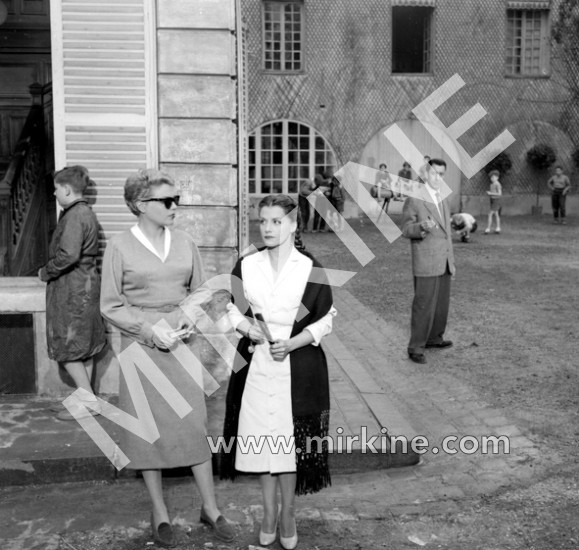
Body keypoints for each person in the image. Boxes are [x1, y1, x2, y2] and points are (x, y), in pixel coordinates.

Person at [100, 169, 234, 546]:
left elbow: (200, 292)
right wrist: (148, 329)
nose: (176, 206)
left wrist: (188, 320)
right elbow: (110, 305)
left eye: (177, 199)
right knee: (148, 432)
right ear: (140, 205)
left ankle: (210, 507)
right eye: (167, 200)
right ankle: (159, 513)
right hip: (141, 346)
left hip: (183, 345)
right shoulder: (119, 246)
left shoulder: (186, 242)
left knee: (194, 424)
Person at [221, 194, 336, 549]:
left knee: (287, 447)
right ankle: (268, 512)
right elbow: (232, 309)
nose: (268, 228)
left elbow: (326, 319)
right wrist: (246, 328)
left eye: (276, 221)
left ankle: (288, 514)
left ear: (293, 224)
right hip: (255, 366)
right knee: (261, 444)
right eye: (264, 221)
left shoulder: (309, 267)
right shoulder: (247, 264)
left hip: (297, 367)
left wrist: (295, 342)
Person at [38, 166, 107, 421]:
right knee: (82, 348)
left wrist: (45, 271)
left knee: (69, 347)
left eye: (56, 189)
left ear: (67, 189)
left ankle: (89, 402)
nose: (55, 194)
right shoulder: (81, 213)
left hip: (74, 290)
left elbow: (68, 255)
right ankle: (83, 400)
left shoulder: (76, 215)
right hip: (82, 287)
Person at [402, 158, 455, 365]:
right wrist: (421, 227)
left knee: (441, 304)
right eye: (434, 173)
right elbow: (406, 229)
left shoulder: (443, 198)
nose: (438, 178)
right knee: (423, 304)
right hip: (425, 260)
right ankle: (415, 347)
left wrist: (451, 260)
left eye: (442, 174)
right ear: (426, 173)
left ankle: (434, 338)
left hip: (443, 261)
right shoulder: (415, 199)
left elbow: (448, 233)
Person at [484, 170, 502, 234]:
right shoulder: (492, 184)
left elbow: (499, 194)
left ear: (497, 177)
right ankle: (498, 228)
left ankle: (488, 229)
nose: (492, 179)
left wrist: (490, 193)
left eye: (493, 177)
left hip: (496, 200)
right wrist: (490, 194)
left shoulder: (497, 184)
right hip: (492, 200)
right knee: (496, 214)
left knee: (490, 214)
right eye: (491, 177)